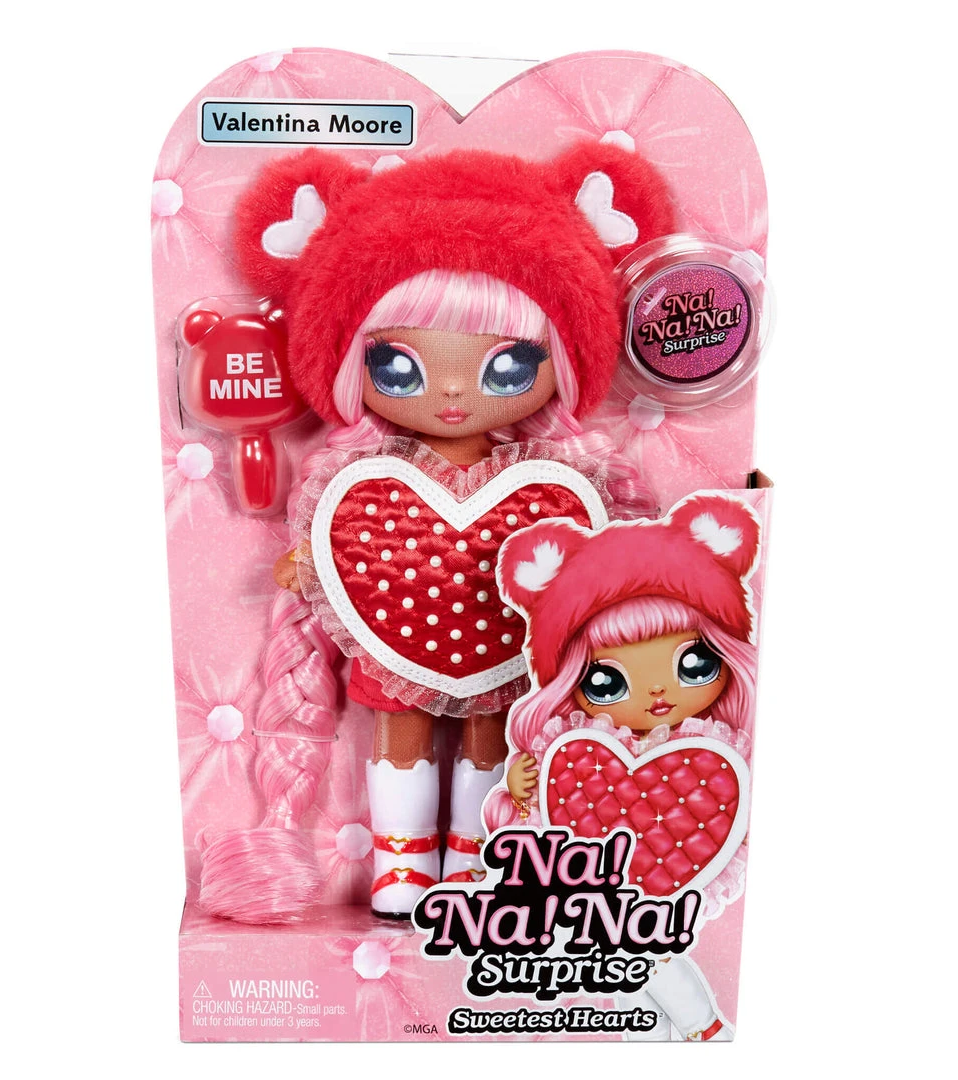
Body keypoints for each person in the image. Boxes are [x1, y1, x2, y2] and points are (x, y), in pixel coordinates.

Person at [196, 142, 675, 920]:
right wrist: (315, 564)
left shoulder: (553, 481)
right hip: (395, 623)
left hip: (499, 634)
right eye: (400, 367)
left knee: (494, 726)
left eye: (508, 368)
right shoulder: (362, 483)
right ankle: (402, 862)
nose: (452, 392)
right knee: (402, 722)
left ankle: (480, 856)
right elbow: (336, 542)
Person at [487, 493, 761, 1038]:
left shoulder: (715, 754)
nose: (658, 692)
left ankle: (700, 1026)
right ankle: (664, 1033)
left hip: (667, 879)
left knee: (640, 949)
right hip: (603, 881)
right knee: (623, 954)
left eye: (694, 663)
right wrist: (520, 789)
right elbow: (541, 815)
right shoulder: (574, 749)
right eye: (606, 680)